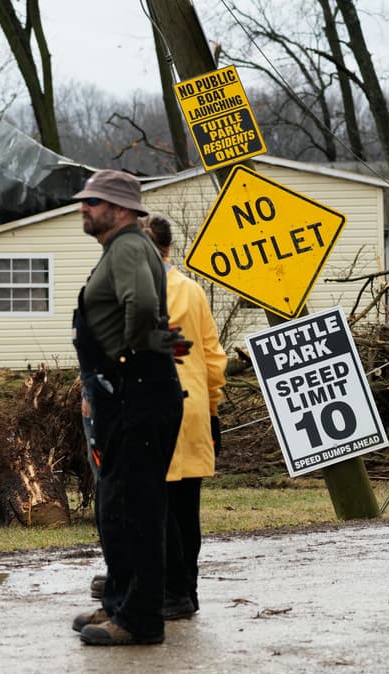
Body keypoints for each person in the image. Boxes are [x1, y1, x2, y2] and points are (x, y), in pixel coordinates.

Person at [69, 170, 185, 646]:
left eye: (92, 202)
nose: (83, 208)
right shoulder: (121, 249)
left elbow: (139, 307)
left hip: (138, 391)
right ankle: (118, 602)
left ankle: (138, 620)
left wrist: (121, 360)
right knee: (117, 506)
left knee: (135, 509)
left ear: (119, 209)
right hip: (127, 393)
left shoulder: (131, 247)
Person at [141, 214, 227, 619]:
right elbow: (213, 358)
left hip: (155, 406)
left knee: (158, 505)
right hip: (193, 408)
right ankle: (187, 591)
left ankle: (171, 593)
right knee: (186, 507)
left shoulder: (139, 291)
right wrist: (213, 411)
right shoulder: (193, 291)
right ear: (170, 249)